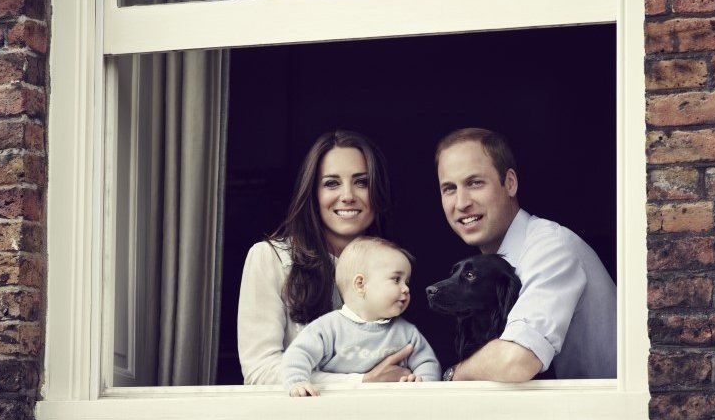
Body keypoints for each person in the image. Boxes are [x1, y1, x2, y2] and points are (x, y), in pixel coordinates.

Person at [435, 127, 616, 382]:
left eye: (475, 183)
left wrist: (454, 375)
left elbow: (516, 361)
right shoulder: (492, 268)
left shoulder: (551, 248)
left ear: (510, 183)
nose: (462, 202)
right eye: (449, 189)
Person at [237, 130, 415, 385]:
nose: (348, 195)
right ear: (312, 193)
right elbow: (260, 371)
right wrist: (361, 381)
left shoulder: (393, 264)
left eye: (362, 182)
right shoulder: (269, 258)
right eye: (332, 183)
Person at [281, 237, 441, 396]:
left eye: (406, 281)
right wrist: (297, 382)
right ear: (360, 284)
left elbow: (427, 363)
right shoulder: (328, 328)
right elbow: (298, 355)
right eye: (396, 279)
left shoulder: (407, 333)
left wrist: (421, 384)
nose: (405, 288)